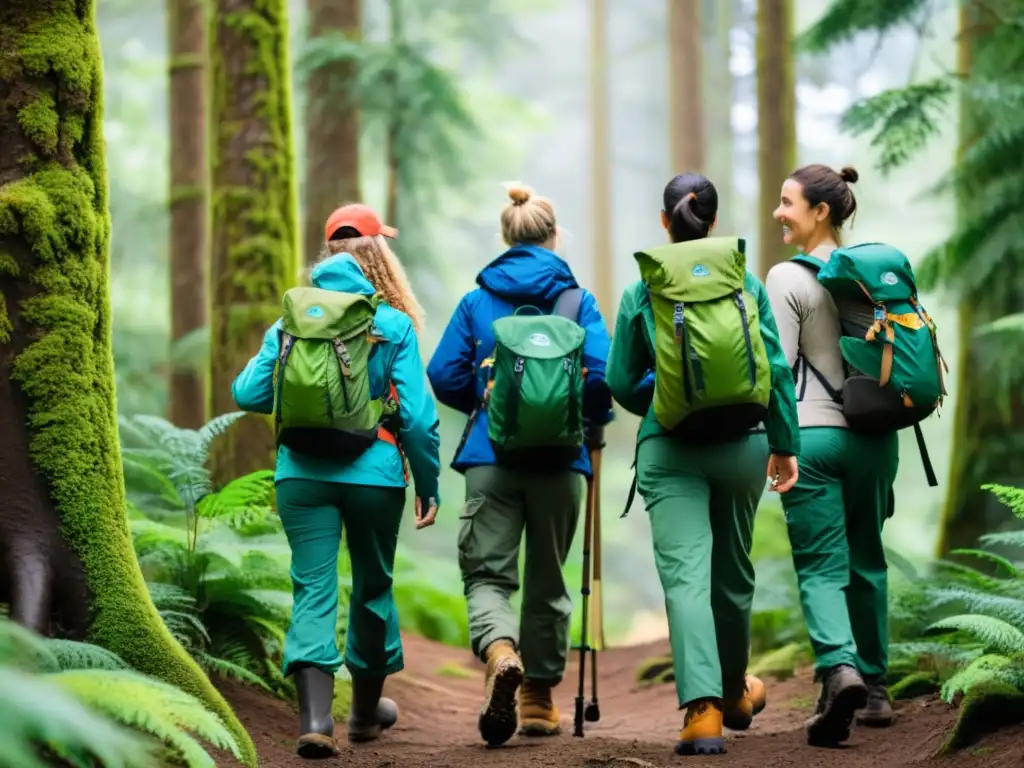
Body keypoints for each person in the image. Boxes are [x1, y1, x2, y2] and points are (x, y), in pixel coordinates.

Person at [232, 203, 441, 758]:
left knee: (313, 588)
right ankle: (366, 714)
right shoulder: (390, 324)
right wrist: (428, 484)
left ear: (326, 258)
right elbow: (419, 418)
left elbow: (247, 394)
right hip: (374, 474)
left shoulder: (290, 321)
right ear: (379, 259)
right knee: (373, 586)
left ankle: (316, 720)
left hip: (301, 474)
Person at [606, 172, 801, 756]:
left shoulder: (645, 289)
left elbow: (619, 380)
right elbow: (775, 370)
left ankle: (704, 711)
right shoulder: (745, 281)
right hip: (744, 444)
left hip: (670, 449)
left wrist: (668, 401)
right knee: (732, 573)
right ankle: (738, 691)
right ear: (713, 223)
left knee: (686, 576)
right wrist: (784, 443)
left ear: (665, 221)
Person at [426, 184, 613, 746]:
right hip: (563, 463)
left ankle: (501, 651)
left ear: (506, 237)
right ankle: (537, 700)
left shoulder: (476, 301)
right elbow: (604, 376)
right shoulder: (578, 302)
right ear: (555, 237)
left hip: (491, 458)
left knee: (487, 575)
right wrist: (582, 419)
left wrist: (488, 407)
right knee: (551, 581)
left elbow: (441, 374)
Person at [766, 164, 897, 745]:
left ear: (821, 210)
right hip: (875, 437)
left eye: (788, 202)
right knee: (868, 557)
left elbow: (777, 369)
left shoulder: (785, 278)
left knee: (822, 564)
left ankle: (838, 668)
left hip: (813, 435)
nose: (778, 212)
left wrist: (777, 444)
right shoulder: (873, 275)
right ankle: (875, 689)